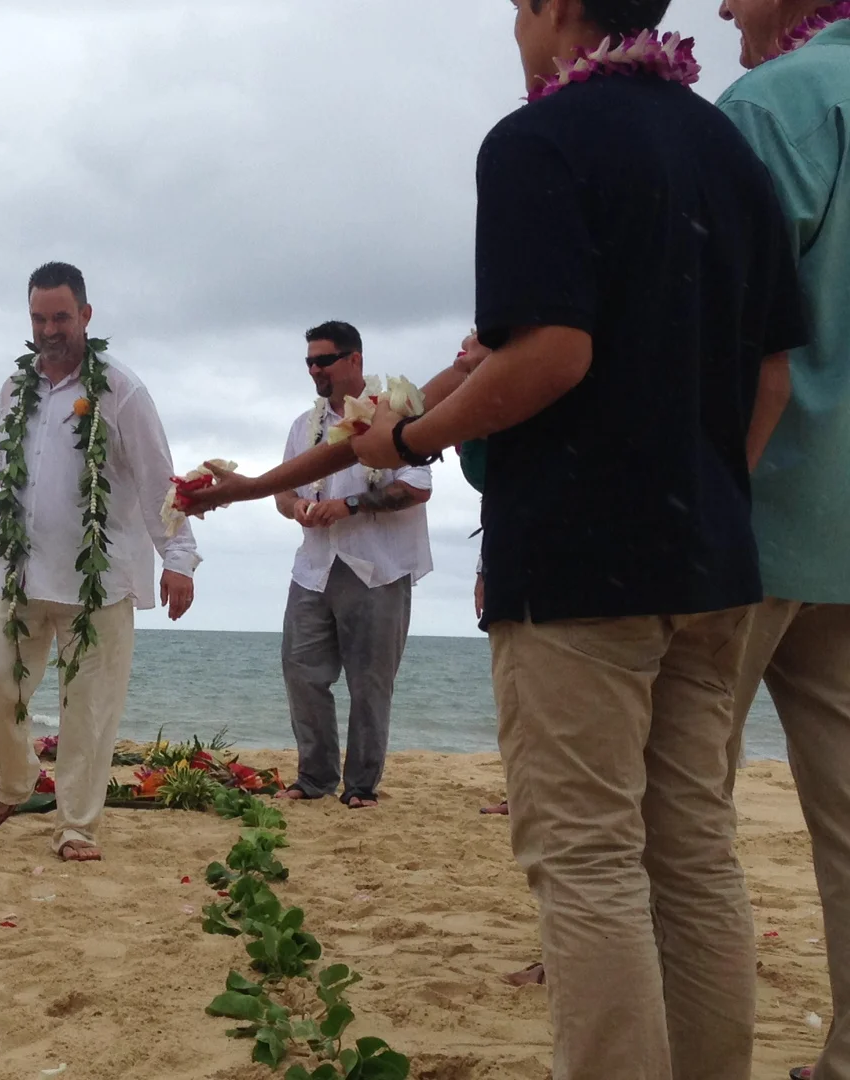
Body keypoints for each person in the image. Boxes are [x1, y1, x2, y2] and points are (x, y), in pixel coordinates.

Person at [336, 2, 805, 1075]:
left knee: (589, 861)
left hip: (582, 571)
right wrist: (713, 488)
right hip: (714, 564)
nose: (512, 25)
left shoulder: (536, 140)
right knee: (692, 855)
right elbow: (773, 372)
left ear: (556, 7)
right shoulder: (725, 144)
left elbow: (550, 351)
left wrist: (407, 434)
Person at [0, 262, 199, 862]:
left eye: (61, 316)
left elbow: (155, 478)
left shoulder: (122, 389)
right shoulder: (17, 388)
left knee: (87, 711)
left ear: (86, 315)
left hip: (98, 580)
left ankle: (76, 827)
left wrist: (180, 557)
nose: (50, 328)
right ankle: (15, 780)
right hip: (18, 570)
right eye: (39, 318)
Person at [712, 4, 850, 1078]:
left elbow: (704, 334)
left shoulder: (769, 107)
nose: (721, 8)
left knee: (679, 808)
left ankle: (688, 1046)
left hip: (748, 520)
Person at [274, 321, 432, 809]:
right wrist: (298, 508)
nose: (315, 369)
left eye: (324, 360)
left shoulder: (395, 417)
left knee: (370, 682)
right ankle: (315, 775)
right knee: (300, 671)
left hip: (377, 567)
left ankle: (361, 785)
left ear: (355, 360)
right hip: (316, 566)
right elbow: (283, 490)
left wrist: (352, 506)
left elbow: (419, 484)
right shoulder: (305, 424)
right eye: (309, 362)